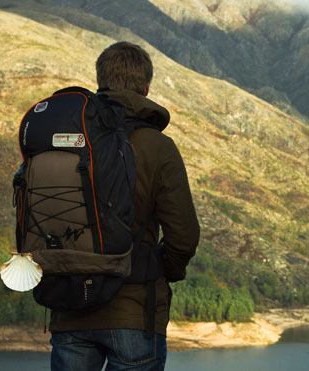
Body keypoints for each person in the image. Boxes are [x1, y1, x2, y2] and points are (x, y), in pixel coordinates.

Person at [48, 41, 200, 371]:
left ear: (100, 81)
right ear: (146, 87)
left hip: (69, 307)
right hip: (134, 310)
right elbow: (184, 236)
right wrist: (164, 270)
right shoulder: (158, 147)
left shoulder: (65, 137)